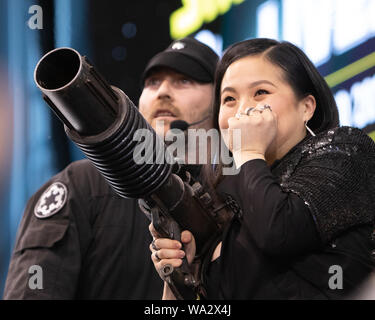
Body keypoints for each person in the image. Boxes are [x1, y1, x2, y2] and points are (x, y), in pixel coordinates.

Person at [150, 38, 375, 299]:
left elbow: (279, 232)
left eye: (260, 93)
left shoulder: (345, 151)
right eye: (229, 98)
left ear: (307, 107)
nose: (243, 109)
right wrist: (179, 275)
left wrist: (249, 151)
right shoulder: (220, 198)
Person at [3, 37, 219, 299]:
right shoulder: (81, 186)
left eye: (185, 80)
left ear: (219, 102)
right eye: (152, 82)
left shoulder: (235, 193)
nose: (162, 91)